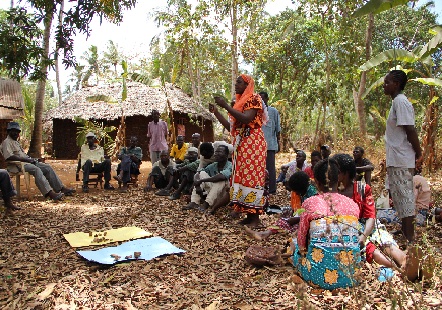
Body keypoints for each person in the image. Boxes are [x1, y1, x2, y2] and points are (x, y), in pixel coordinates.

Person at [333, 153, 422, 281]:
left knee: (384, 242)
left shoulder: (362, 189)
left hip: (368, 227)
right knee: (372, 250)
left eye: (337, 171)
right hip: (349, 229)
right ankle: (401, 269)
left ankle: (406, 261)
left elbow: (370, 217)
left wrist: (363, 236)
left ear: (345, 173)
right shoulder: (333, 191)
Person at [291, 159, 362, 290]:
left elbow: (301, 244)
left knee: (294, 245)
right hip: (352, 277)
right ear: (338, 179)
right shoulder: (352, 205)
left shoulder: (310, 203)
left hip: (318, 277)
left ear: (316, 181)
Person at [210, 74, 267, 227]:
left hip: (253, 145)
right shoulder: (240, 102)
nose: (236, 84)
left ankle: (255, 219)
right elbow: (232, 128)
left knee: (252, 179)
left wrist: (226, 106)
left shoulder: (254, 99)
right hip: (242, 145)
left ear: (247, 85)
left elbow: (247, 119)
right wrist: (217, 112)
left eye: (239, 82)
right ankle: (249, 217)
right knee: (243, 180)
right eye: (235, 82)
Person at [383, 70, 422, 244]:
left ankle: (411, 239)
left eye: (387, 82)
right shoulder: (396, 103)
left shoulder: (400, 101)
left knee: (405, 199)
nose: (384, 85)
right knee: (399, 198)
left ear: (396, 84)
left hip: (401, 159)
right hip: (396, 158)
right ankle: (406, 233)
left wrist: (419, 154)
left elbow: (410, 130)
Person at [0, 122, 74, 201]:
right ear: (8, 131)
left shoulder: (15, 142)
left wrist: (34, 159)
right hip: (17, 165)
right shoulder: (6, 142)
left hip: (26, 162)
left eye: (17, 131)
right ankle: (49, 193)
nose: (16, 133)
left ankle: (61, 188)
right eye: (13, 131)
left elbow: (24, 155)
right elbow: (9, 157)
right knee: (36, 169)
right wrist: (27, 160)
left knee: (47, 167)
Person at [245, 171, 316, 241]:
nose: (297, 194)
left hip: (313, 224)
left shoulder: (313, 195)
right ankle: (264, 234)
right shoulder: (306, 191)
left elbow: (314, 215)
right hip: (304, 218)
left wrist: (297, 219)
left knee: (288, 224)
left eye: (297, 191)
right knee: (284, 219)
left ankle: (263, 234)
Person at [183, 145, 232, 214]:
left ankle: (206, 204)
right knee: (202, 173)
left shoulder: (230, 165)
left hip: (224, 196)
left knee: (221, 180)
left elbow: (222, 176)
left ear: (226, 155)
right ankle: (194, 202)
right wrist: (197, 185)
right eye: (216, 152)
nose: (216, 154)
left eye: (220, 152)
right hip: (213, 194)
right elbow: (198, 173)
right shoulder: (214, 165)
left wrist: (201, 181)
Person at [259, 91, 281, 195]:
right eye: (259, 99)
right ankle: (261, 188)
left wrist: (278, 143)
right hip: (258, 146)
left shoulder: (273, 111)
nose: (261, 101)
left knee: (270, 168)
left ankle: (272, 190)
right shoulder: (255, 112)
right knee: (259, 167)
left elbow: (278, 129)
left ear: (267, 99)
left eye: (263, 99)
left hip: (270, 145)